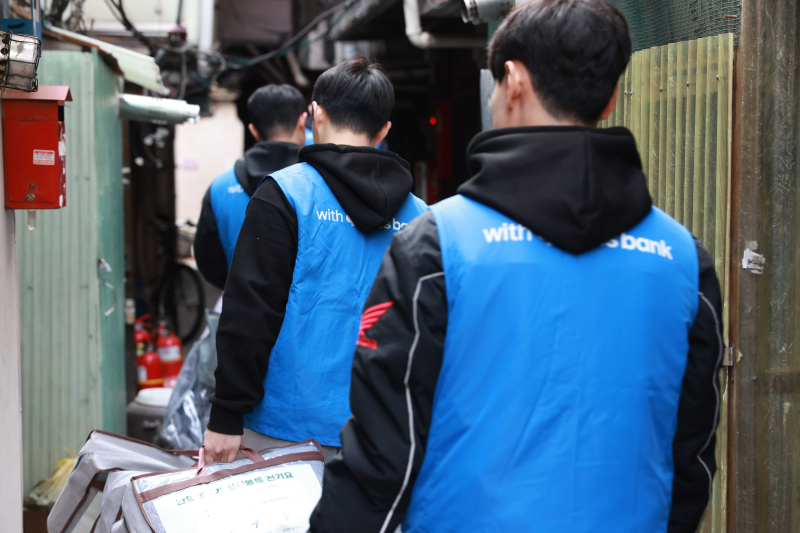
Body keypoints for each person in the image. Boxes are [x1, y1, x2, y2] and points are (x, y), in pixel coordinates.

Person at [310, 1, 723, 532]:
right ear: (611, 96)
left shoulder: (436, 247)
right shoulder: (683, 258)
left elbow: (382, 457)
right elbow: (693, 454)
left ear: (514, 81)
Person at [203, 56, 428, 462]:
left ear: (315, 115)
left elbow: (250, 309)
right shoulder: (421, 216)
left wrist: (226, 413)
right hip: (383, 433)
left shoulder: (285, 194)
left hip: (284, 429)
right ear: (384, 130)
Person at [194, 84, 307, 290]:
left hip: (242, 305)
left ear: (253, 130)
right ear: (302, 121)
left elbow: (209, 264)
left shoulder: (220, 187)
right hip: (305, 310)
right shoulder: (320, 182)